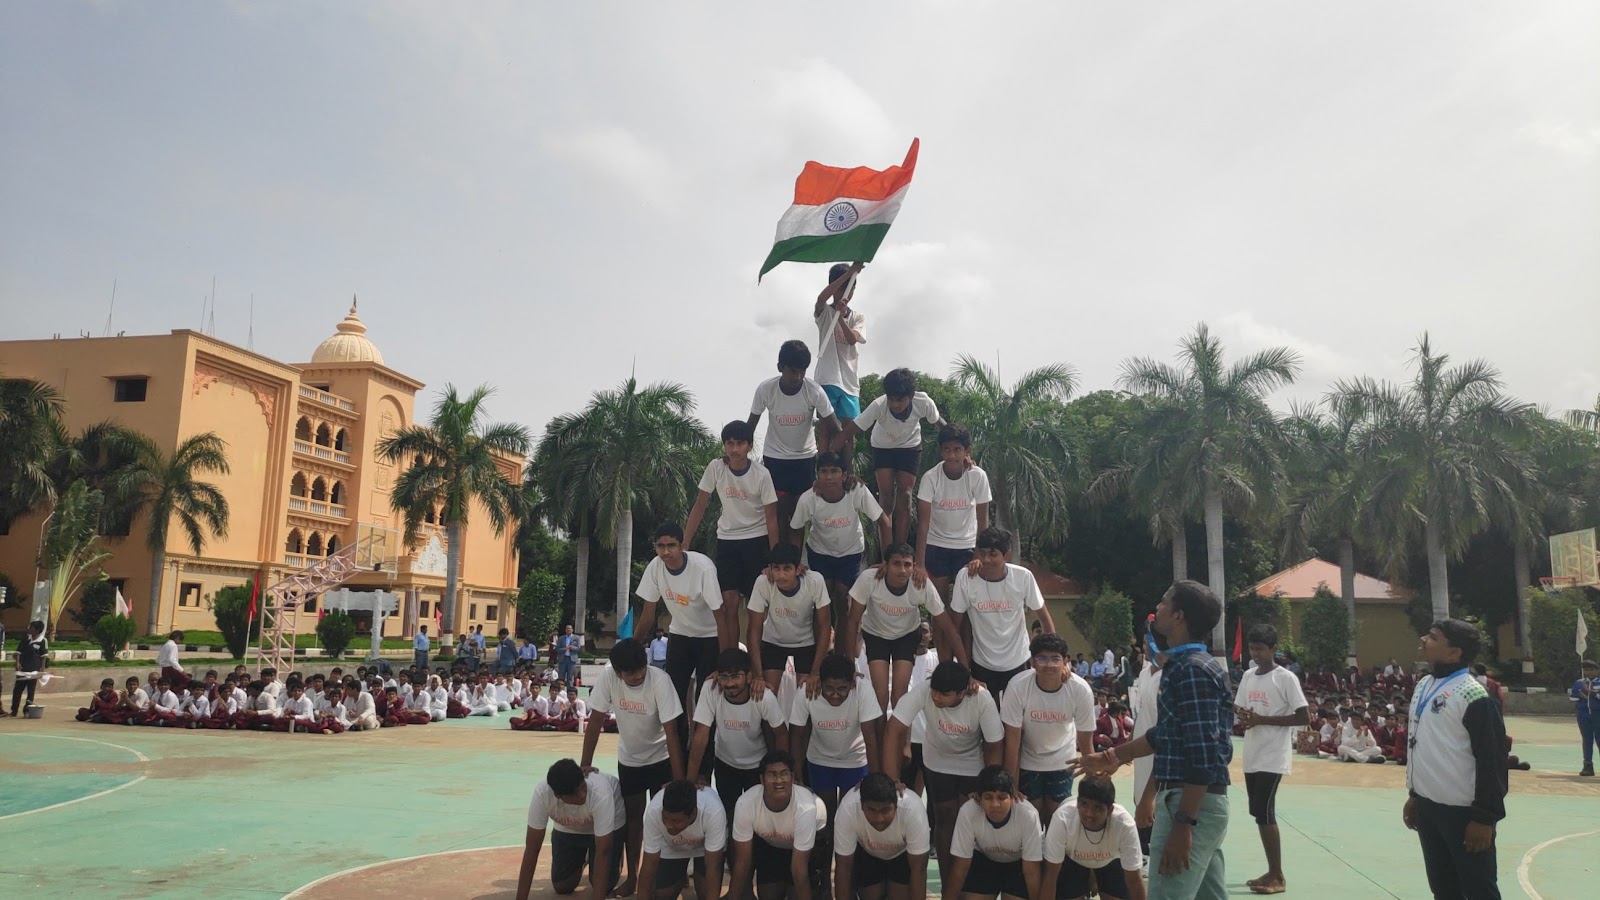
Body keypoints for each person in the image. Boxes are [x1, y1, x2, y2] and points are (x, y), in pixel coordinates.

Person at [1074, 581, 1232, 900]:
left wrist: (1184, 823)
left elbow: (1202, 754)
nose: (1156, 608)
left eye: (1163, 602)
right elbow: (1164, 736)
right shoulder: (1183, 667)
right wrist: (1110, 757)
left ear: (1178, 616)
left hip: (1189, 803)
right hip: (1195, 801)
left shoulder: (1192, 670)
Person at [1403, 619, 1508, 900]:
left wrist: (1485, 817)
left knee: (1478, 889)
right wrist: (1415, 794)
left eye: (1433, 637)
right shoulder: (1425, 684)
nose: (1424, 639)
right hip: (1428, 808)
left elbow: (1492, 760)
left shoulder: (1473, 695)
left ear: (1454, 653)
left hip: (1464, 815)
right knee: (1443, 888)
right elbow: (1423, 746)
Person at [582, 638, 686, 896]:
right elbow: (595, 721)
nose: (638, 678)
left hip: (661, 757)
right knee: (634, 820)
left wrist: (679, 780)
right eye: (631, 676)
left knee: (666, 817)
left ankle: (673, 872)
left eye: (641, 672)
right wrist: (585, 764)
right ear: (618, 673)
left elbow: (672, 733)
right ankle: (634, 876)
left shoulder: (660, 681)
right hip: (630, 760)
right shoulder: (608, 678)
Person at [884, 660, 1003, 876]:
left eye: (944, 694)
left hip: (972, 763)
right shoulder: (926, 689)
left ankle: (968, 880)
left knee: (970, 818)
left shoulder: (981, 698)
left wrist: (989, 785)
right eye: (935, 692)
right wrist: (891, 779)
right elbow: (894, 729)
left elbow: (994, 745)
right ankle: (948, 879)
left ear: (962, 693)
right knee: (944, 817)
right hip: (937, 761)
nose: (936, 697)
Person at [843, 542, 964, 717]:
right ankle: (879, 742)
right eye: (896, 564)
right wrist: (850, 665)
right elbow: (852, 622)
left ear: (914, 567)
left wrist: (965, 669)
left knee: (900, 696)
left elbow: (949, 628)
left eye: (907, 564)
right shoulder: (869, 579)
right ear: (885, 565)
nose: (902, 570)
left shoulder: (921, 585)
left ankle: (902, 743)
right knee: (880, 695)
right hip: (876, 635)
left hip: (906, 637)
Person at [1232, 624, 1310, 895]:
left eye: (1261, 649)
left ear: (1274, 649)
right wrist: (1243, 717)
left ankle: (1278, 875)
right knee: (1258, 812)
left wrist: (1262, 719)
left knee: (1265, 813)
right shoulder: (1248, 676)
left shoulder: (1285, 678)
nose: (1255, 654)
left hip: (1273, 755)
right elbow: (1241, 707)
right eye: (1252, 649)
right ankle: (1270, 869)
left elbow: (1303, 716)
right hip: (1252, 753)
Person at [832, 367, 946, 545]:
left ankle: (899, 549)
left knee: (905, 496)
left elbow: (941, 426)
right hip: (883, 447)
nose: (895, 405)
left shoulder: (923, 402)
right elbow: (846, 434)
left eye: (900, 400)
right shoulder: (879, 405)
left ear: (911, 396)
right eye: (891, 399)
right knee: (886, 497)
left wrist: (962, 449)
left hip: (910, 447)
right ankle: (887, 555)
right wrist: (843, 469)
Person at [749, 339, 840, 547]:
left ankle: (795, 567)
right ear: (780, 367)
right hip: (775, 459)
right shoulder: (766, 389)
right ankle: (779, 564)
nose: (797, 377)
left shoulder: (814, 391)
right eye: (792, 371)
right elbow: (750, 427)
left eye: (802, 372)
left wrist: (839, 466)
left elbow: (836, 430)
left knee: (798, 520)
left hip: (804, 460)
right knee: (779, 515)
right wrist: (737, 459)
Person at [791, 652, 881, 856]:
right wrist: (796, 774)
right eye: (829, 688)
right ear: (819, 682)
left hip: (855, 760)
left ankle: (851, 876)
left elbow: (870, 735)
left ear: (852, 683)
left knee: (852, 817)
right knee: (826, 817)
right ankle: (822, 872)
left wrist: (874, 779)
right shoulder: (807, 690)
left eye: (842, 689)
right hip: (820, 760)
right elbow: (797, 734)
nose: (835, 695)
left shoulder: (863, 689)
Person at [684, 419, 780, 611]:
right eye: (730, 443)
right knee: (728, 600)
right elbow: (699, 506)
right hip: (727, 539)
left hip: (756, 539)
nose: (735, 449)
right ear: (724, 445)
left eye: (740, 443)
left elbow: (771, 520)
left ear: (750, 446)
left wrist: (775, 560)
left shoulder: (762, 474)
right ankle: (730, 643)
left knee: (757, 604)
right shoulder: (716, 467)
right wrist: (685, 542)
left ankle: (756, 643)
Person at [949, 526, 1054, 697]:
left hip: (1018, 662)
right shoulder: (966, 577)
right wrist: (964, 670)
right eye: (982, 554)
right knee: (985, 721)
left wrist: (1051, 656)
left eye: (993, 554)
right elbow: (955, 627)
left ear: (1006, 555)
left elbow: (1044, 618)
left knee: (1017, 720)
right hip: (981, 664)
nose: (987, 560)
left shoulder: (1023, 577)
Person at [1001, 632, 1095, 822]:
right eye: (1042, 659)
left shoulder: (1080, 689)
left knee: (1056, 815)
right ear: (1033, 662)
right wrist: (1011, 787)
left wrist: (1092, 784)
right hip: (1028, 759)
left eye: (1055, 659)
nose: (1049, 665)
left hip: (1063, 760)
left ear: (1066, 661)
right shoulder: (1018, 687)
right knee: (1030, 814)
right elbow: (1012, 742)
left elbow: (1086, 741)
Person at [686, 648, 788, 820]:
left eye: (735, 676)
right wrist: (689, 782)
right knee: (729, 816)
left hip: (756, 766)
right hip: (725, 764)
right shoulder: (710, 689)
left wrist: (782, 771)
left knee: (756, 818)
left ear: (748, 677)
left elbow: (781, 734)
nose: (729, 683)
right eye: (724, 676)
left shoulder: (764, 696)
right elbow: (700, 736)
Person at [791, 451, 891, 626]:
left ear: (844, 475)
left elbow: (884, 522)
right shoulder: (808, 498)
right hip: (820, 552)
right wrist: (795, 562)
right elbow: (796, 529)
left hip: (850, 552)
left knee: (843, 603)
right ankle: (821, 652)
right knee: (821, 602)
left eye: (834, 471)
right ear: (817, 475)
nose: (829, 477)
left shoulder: (856, 491)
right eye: (824, 471)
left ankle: (843, 653)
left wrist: (887, 561)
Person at [517, 759, 627, 900]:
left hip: (605, 827)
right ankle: (585, 858)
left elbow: (603, 851)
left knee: (604, 887)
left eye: (583, 787)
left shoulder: (601, 792)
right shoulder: (543, 793)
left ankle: (600, 856)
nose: (582, 795)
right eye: (574, 793)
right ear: (558, 795)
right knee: (562, 886)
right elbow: (532, 848)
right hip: (569, 826)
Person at [729, 750, 828, 900]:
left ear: (793, 778)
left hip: (807, 851)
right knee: (769, 895)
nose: (779, 780)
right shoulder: (745, 803)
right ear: (762, 780)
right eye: (772, 775)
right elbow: (742, 862)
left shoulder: (806, 807)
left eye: (784, 774)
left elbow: (799, 870)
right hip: (772, 845)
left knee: (798, 893)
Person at [915, 423, 991, 603]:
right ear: (941, 451)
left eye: (957, 450)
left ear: (967, 451)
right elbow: (923, 524)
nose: (952, 455)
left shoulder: (977, 476)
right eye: (947, 450)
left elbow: (983, 521)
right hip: (936, 545)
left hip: (966, 546)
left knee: (964, 605)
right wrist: (920, 564)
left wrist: (978, 556)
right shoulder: (930, 477)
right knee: (938, 605)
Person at [944, 765, 1043, 900]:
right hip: (985, 862)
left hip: (1017, 867)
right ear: (978, 798)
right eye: (988, 797)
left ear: (1012, 797)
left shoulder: (1028, 815)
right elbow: (960, 868)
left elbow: (1031, 872)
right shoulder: (968, 812)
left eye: (1002, 798)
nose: (995, 804)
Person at [1042, 777, 1146, 900]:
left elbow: (1134, 880)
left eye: (1097, 807)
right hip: (1071, 860)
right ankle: (1088, 880)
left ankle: (1094, 878)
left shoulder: (1124, 824)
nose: (1089, 813)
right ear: (1077, 803)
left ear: (1110, 810)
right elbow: (1050, 877)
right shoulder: (1062, 819)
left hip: (1110, 861)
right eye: (1084, 804)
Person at [748, 543, 831, 692]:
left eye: (787, 568)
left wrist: (815, 672)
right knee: (765, 693)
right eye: (776, 568)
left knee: (808, 693)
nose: (781, 575)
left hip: (805, 642)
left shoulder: (815, 581)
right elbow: (754, 629)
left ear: (798, 569)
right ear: (770, 568)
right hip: (773, 641)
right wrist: (758, 676)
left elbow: (825, 625)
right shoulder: (763, 582)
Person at [832, 773, 930, 900]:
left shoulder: (912, 809)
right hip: (867, 854)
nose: (879, 819)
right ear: (861, 805)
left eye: (885, 810)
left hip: (901, 855)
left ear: (896, 805)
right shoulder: (848, 808)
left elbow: (919, 871)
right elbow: (844, 867)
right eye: (872, 810)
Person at [638, 781, 727, 900]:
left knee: (706, 894)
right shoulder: (654, 810)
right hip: (672, 847)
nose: (668, 826)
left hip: (704, 847)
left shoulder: (713, 811)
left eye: (675, 821)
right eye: (665, 818)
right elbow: (649, 864)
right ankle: (679, 875)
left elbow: (713, 867)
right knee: (661, 896)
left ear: (693, 814)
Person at [813, 261, 866, 452]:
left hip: (849, 382)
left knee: (848, 431)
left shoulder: (857, 317)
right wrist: (849, 272)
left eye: (851, 289)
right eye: (842, 288)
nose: (846, 294)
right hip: (828, 378)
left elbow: (852, 340)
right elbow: (821, 298)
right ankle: (824, 468)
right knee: (826, 429)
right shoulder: (824, 312)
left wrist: (842, 317)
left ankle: (846, 472)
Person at [10, 620, 48, 717]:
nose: (28, 629)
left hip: (33, 671)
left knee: (30, 692)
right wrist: (17, 663)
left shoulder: (43, 641)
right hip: (22, 669)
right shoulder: (25, 638)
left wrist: (42, 670)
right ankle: (14, 710)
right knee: (17, 690)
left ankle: (27, 710)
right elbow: (18, 652)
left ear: (37, 630)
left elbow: (43, 657)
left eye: (31, 627)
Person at [1571, 659, 1598, 776]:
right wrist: (1582, 695)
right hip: (1584, 715)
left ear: (1597, 670)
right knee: (1587, 740)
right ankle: (1587, 765)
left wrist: (1591, 693)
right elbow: (1573, 698)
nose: (1589, 672)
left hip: (1598, 715)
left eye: (1592, 670)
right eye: (1586, 670)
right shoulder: (1579, 682)